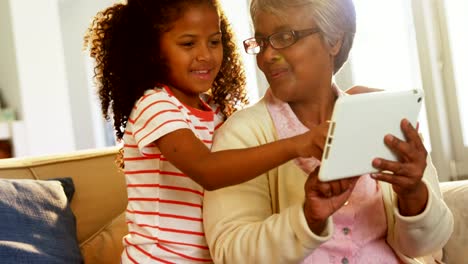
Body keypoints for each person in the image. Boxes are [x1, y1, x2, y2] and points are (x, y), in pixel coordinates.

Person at [84, 0, 345, 262]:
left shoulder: (216, 112)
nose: (205, 55)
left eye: (214, 41)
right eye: (188, 44)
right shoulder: (155, 105)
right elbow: (208, 170)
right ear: (151, 50)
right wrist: (296, 144)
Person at [203, 0, 454, 263]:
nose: (266, 57)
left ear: (334, 40)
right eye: (262, 41)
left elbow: (428, 247)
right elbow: (230, 252)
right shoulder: (241, 135)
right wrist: (308, 218)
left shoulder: (385, 119)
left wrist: (414, 193)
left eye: (285, 37)